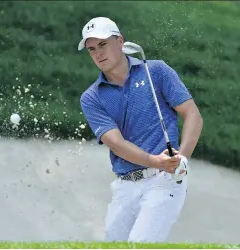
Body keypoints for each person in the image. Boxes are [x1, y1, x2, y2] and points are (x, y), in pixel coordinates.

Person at [77, 17, 203, 243]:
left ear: (120, 42)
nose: (98, 53)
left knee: (140, 244)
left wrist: (181, 157)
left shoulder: (156, 71)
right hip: (125, 185)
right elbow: (116, 143)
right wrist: (155, 160)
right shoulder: (92, 97)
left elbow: (192, 114)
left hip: (164, 180)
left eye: (103, 44)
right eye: (91, 49)